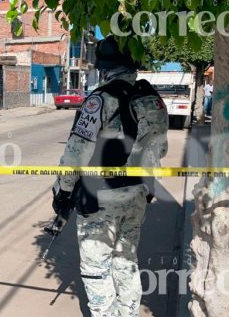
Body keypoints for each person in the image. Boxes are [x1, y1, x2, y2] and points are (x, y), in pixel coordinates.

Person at [51, 36, 169, 317]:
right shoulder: (152, 99)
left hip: (100, 197)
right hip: (139, 193)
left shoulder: (100, 100)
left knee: (96, 268)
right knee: (126, 260)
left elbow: (76, 152)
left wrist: (64, 192)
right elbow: (160, 148)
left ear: (104, 66)